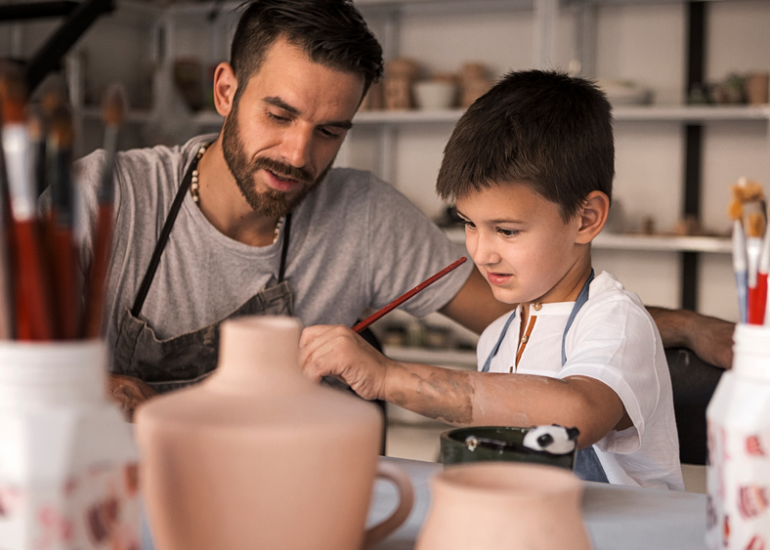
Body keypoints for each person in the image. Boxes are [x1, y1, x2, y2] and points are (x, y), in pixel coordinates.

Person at [73, 0, 732, 420]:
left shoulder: (363, 217)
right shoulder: (108, 197)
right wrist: (87, 392)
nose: (299, 153)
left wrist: (672, 326)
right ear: (225, 89)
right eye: (279, 114)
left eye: (331, 130)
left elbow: (533, 305)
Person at [300, 71, 686, 489]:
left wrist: (389, 377)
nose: (481, 253)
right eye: (469, 224)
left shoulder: (614, 320)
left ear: (586, 218)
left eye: (507, 230)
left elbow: (577, 415)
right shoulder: (499, 336)